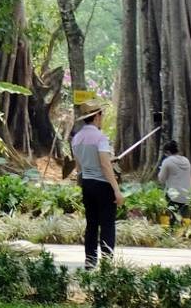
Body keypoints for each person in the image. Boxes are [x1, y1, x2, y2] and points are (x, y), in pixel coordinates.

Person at [71, 99, 123, 267]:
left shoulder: (76, 139)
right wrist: (116, 190)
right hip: (103, 186)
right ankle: (107, 262)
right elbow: (105, 165)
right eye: (102, 115)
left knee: (91, 224)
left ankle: (90, 260)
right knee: (107, 224)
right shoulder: (101, 138)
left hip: (87, 184)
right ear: (97, 116)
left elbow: (79, 166)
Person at [156, 140, 191, 234]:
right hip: (187, 194)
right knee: (185, 215)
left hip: (173, 195)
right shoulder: (186, 160)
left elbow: (161, 179)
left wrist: (161, 170)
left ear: (168, 152)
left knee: (169, 213)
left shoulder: (167, 161)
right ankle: (186, 233)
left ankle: (168, 232)